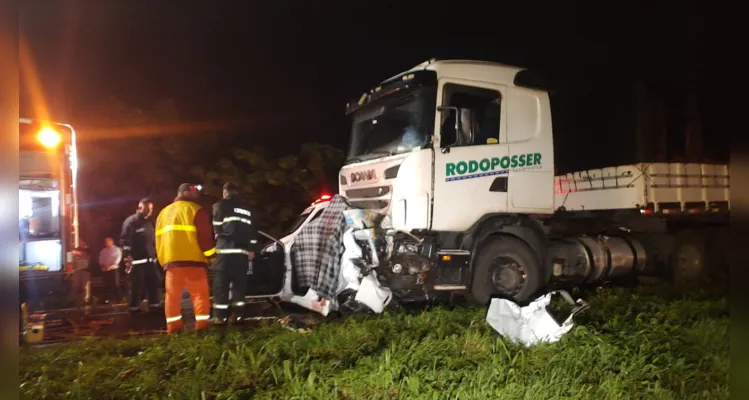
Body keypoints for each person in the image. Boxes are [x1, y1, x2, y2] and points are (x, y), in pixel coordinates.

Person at [155, 183, 216, 333]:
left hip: (171, 263)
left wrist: (164, 261)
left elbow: (158, 241)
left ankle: (174, 329)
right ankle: (202, 329)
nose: (197, 195)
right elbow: (205, 237)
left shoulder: (163, 213)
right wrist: (211, 256)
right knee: (200, 296)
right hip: (193, 261)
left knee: (172, 297)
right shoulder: (195, 210)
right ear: (186, 192)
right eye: (194, 191)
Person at [211, 182, 260, 324]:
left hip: (225, 253)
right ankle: (238, 316)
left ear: (225, 193)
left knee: (221, 286)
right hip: (241, 254)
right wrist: (252, 249)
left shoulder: (220, 205)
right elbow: (253, 233)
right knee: (239, 286)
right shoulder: (248, 210)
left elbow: (217, 228)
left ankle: (220, 317)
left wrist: (219, 234)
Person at [120, 198, 161, 314]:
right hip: (136, 262)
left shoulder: (150, 222)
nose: (150, 211)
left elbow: (153, 240)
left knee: (154, 283)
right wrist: (127, 258)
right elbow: (125, 241)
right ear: (140, 208)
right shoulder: (131, 222)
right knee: (136, 286)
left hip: (150, 261)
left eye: (151, 208)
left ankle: (155, 305)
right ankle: (134, 308)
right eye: (148, 208)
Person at [98, 236, 123, 304]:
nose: (106, 243)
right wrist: (104, 265)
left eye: (108, 241)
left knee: (116, 284)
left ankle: (119, 299)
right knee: (106, 285)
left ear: (112, 241)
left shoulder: (116, 249)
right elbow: (101, 260)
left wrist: (111, 266)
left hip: (114, 269)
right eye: (105, 241)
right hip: (105, 270)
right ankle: (105, 299)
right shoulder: (103, 251)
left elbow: (117, 259)